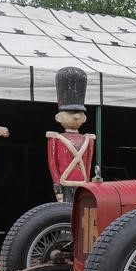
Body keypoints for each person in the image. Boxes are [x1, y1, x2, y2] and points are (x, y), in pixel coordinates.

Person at [47, 67, 95, 203]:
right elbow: (53, 165)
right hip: (64, 183)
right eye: (70, 113)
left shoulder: (89, 139)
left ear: (84, 118)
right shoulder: (55, 138)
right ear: (58, 117)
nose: (76, 116)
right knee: (67, 209)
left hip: (82, 183)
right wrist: (57, 186)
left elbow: (88, 165)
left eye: (79, 113)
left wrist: (88, 184)